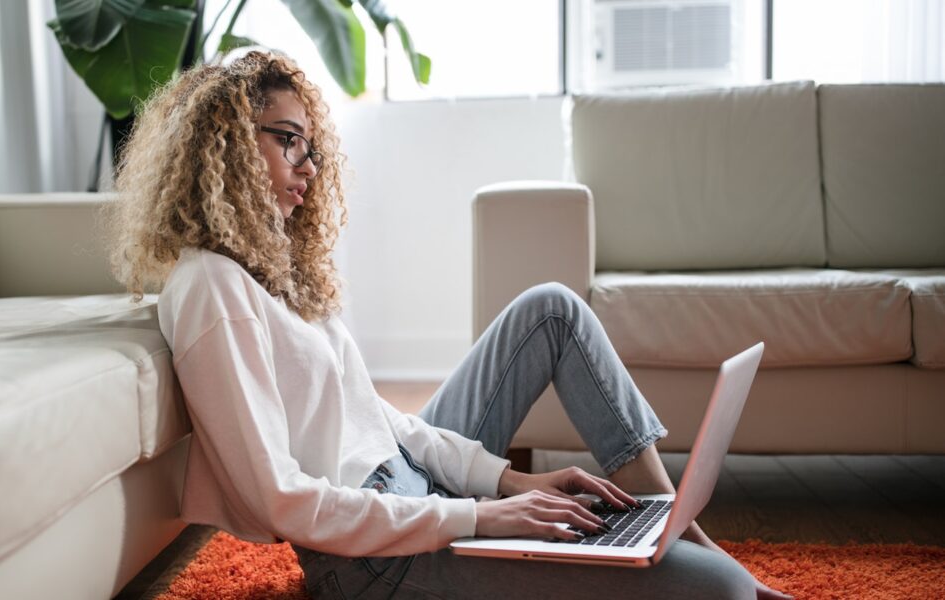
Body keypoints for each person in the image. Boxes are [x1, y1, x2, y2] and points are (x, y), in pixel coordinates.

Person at [108, 51, 789, 600]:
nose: (309, 168)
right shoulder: (210, 286)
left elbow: (379, 420)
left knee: (550, 308)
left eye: (311, 147)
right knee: (723, 592)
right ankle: (696, 555)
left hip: (410, 488)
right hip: (369, 561)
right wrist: (479, 516)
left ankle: (673, 526)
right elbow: (281, 499)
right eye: (288, 142)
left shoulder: (272, 270)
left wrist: (505, 483)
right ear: (224, 145)